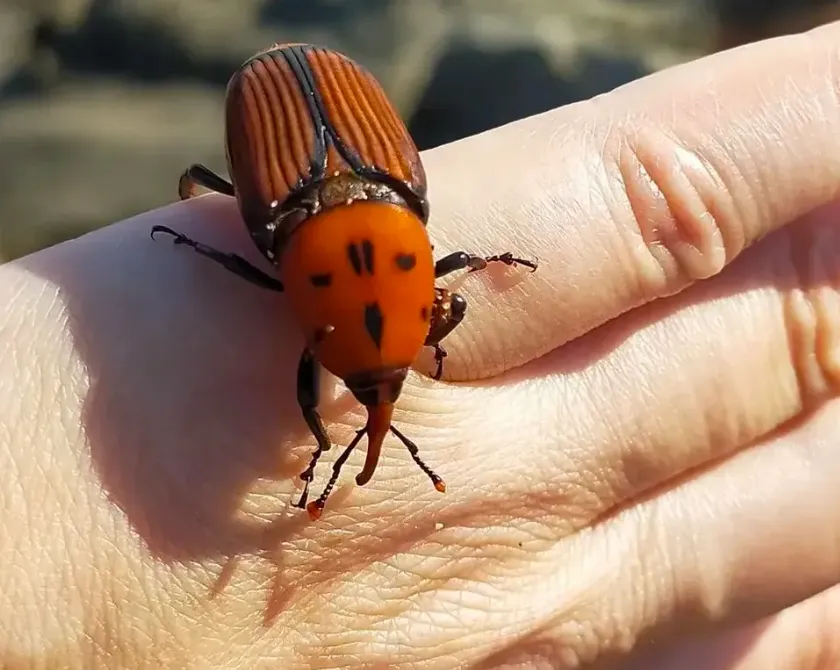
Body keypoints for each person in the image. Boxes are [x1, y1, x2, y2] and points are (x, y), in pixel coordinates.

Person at [2, 20, 840, 670]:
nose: (377, 406)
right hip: (302, 128)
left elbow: (430, 294)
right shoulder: (306, 244)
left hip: (330, 155)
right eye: (381, 383)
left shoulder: (333, 244)